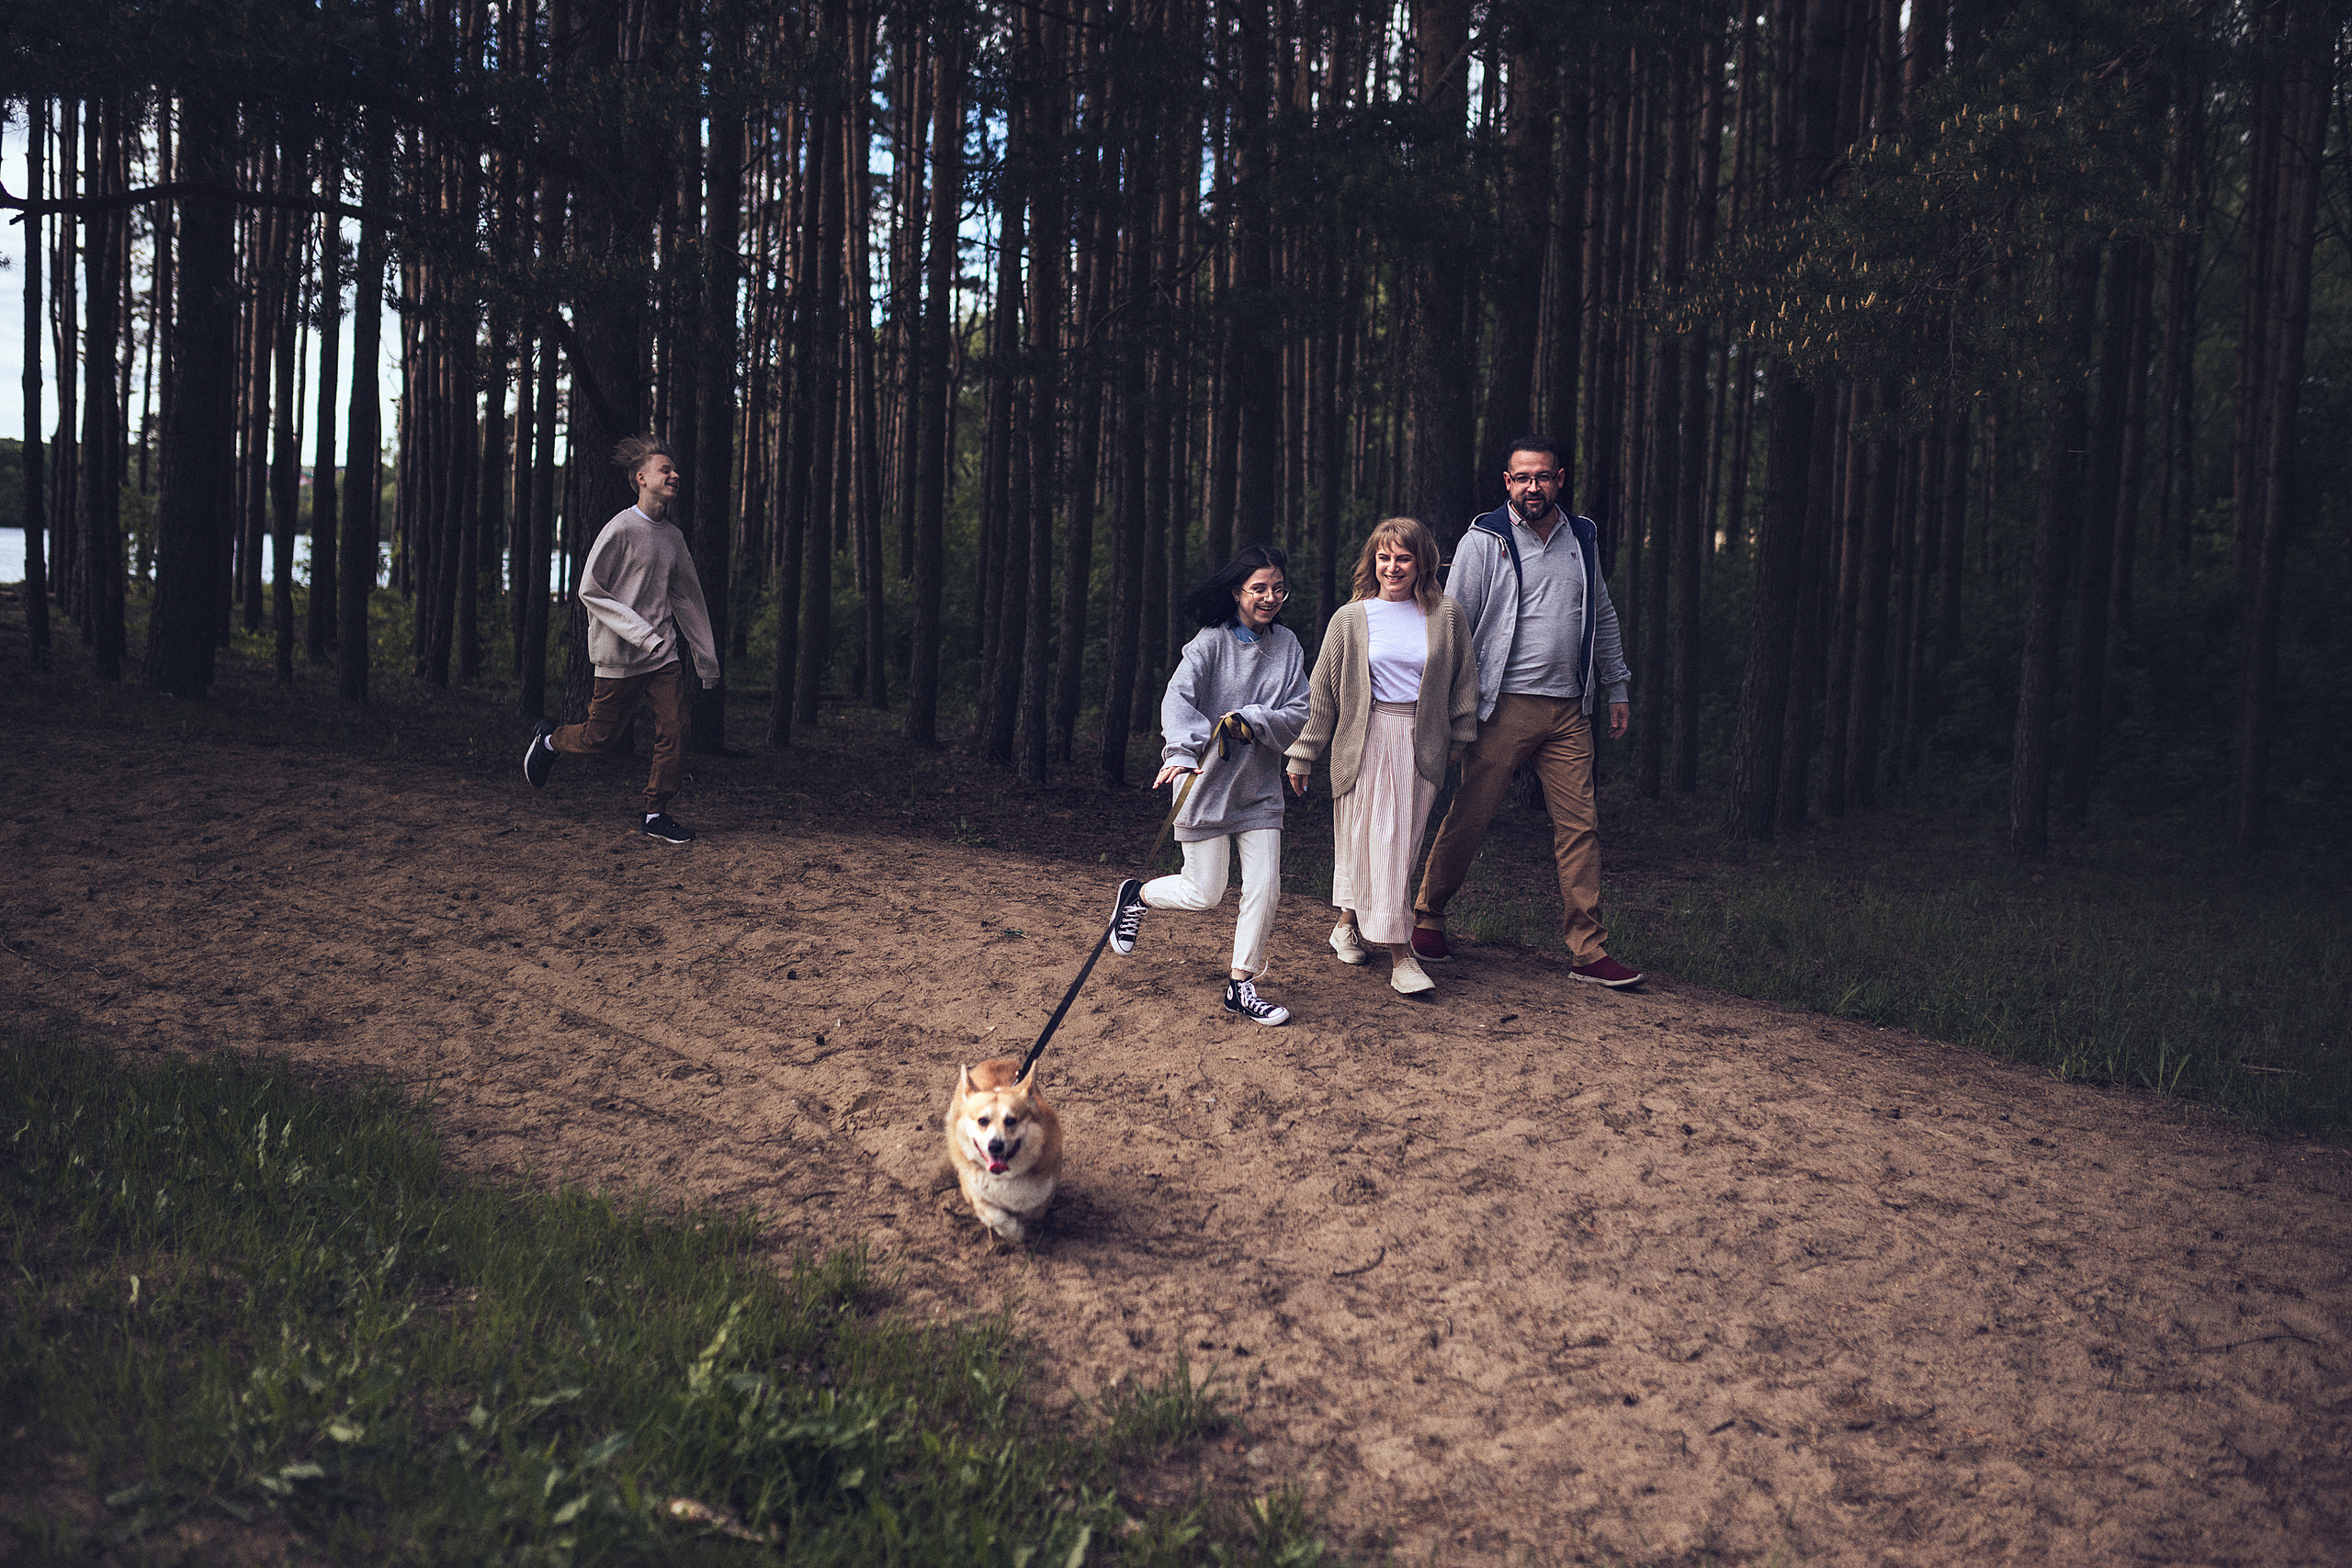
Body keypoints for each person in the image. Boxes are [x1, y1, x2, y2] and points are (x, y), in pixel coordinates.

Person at [1411, 436, 1643, 987]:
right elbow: (1453, 622)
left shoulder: (1581, 535)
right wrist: (1444, 704)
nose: (1532, 487)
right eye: (1522, 478)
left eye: (1542, 477)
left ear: (1559, 479)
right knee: (1470, 814)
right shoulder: (1484, 539)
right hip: (1503, 707)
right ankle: (1428, 917)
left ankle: (1588, 951)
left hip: (1570, 709)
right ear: (1507, 482)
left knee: (1580, 828)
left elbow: (1601, 612)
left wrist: (1617, 685)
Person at [1106, 546, 1309, 1026]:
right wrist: (1180, 753)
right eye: (1258, 588)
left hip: (1259, 790)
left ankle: (1242, 985)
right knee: (1205, 893)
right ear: (1237, 592)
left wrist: (1254, 721)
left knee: (1266, 887)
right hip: (1206, 785)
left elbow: (1299, 712)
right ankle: (1137, 897)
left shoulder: (1289, 646)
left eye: (1278, 588)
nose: (1270, 597)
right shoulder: (1209, 644)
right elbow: (1177, 701)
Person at [1283, 518, 1477, 997]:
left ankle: (1346, 924)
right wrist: (1303, 754)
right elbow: (1323, 693)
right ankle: (1400, 955)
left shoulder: (1446, 615)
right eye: (1384, 557)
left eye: (1404, 558)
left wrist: (1459, 739)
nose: (1393, 567)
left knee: (1396, 845)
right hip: (1362, 740)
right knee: (1369, 839)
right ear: (1373, 561)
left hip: (1419, 742)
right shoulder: (1350, 619)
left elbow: (1464, 681)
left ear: (1421, 563)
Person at [522, 436, 719, 844]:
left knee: (677, 727)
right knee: (600, 739)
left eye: (674, 470)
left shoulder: (674, 538)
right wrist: (641, 635)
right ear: (641, 479)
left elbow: (687, 598)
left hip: (662, 654)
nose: (674, 475)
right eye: (665, 470)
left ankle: (655, 813)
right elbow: (590, 590)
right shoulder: (621, 528)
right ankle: (550, 740)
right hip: (621, 655)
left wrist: (706, 659)